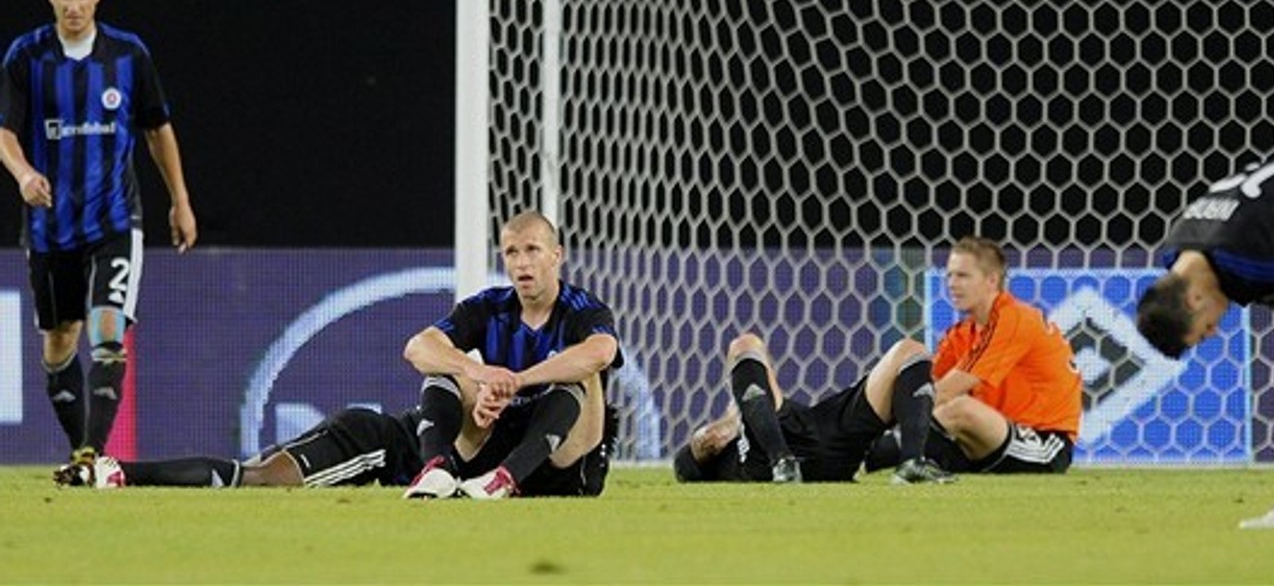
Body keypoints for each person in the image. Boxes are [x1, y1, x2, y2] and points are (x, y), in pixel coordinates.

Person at [0, 0, 197, 467]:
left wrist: (180, 200)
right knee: (60, 340)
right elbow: (3, 133)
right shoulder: (26, 57)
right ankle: (78, 448)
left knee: (108, 332)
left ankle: (92, 455)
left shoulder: (129, 56)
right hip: (49, 226)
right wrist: (23, 174)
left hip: (114, 218)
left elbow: (158, 129)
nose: (74, 5)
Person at [1136, 153, 1274, 530]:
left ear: (1195, 300)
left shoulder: (1246, 251)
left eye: (1204, 329)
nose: (1214, 331)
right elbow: (1268, 282)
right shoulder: (1182, 252)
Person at [401, 210, 622, 500]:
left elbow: (603, 351)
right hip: (496, 445)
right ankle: (436, 470)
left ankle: (506, 478)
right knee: (445, 364)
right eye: (511, 252)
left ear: (556, 255)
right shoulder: (489, 306)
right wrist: (481, 374)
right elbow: (418, 347)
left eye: (532, 250)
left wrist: (518, 380)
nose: (522, 263)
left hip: (564, 462)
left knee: (581, 370)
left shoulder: (582, 309)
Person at [864, 236, 1083, 476]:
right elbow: (927, 388)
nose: (952, 284)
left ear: (991, 281)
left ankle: (866, 459)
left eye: (962, 276)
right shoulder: (960, 334)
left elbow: (944, 392)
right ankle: (860, 453)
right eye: (949, 275)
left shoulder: (1016, 320)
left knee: (960, 410)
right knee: (917, 377)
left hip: (1044, 442)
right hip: (985, 442)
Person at [672, 329, 955, 484]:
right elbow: (686, 464)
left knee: (911, 350)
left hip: (832, 441)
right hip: (769, 455)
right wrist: (720, 428)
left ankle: (912, 462)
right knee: (744, 342)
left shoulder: (759, 408)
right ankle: (781, 460)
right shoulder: (735, 434)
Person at [54, 406, 426, 490]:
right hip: (372, 444)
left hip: (367, 429)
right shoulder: (476, 384)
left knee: (243, 479)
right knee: (259, 481)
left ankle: (106, 472)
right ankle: (118, 472)